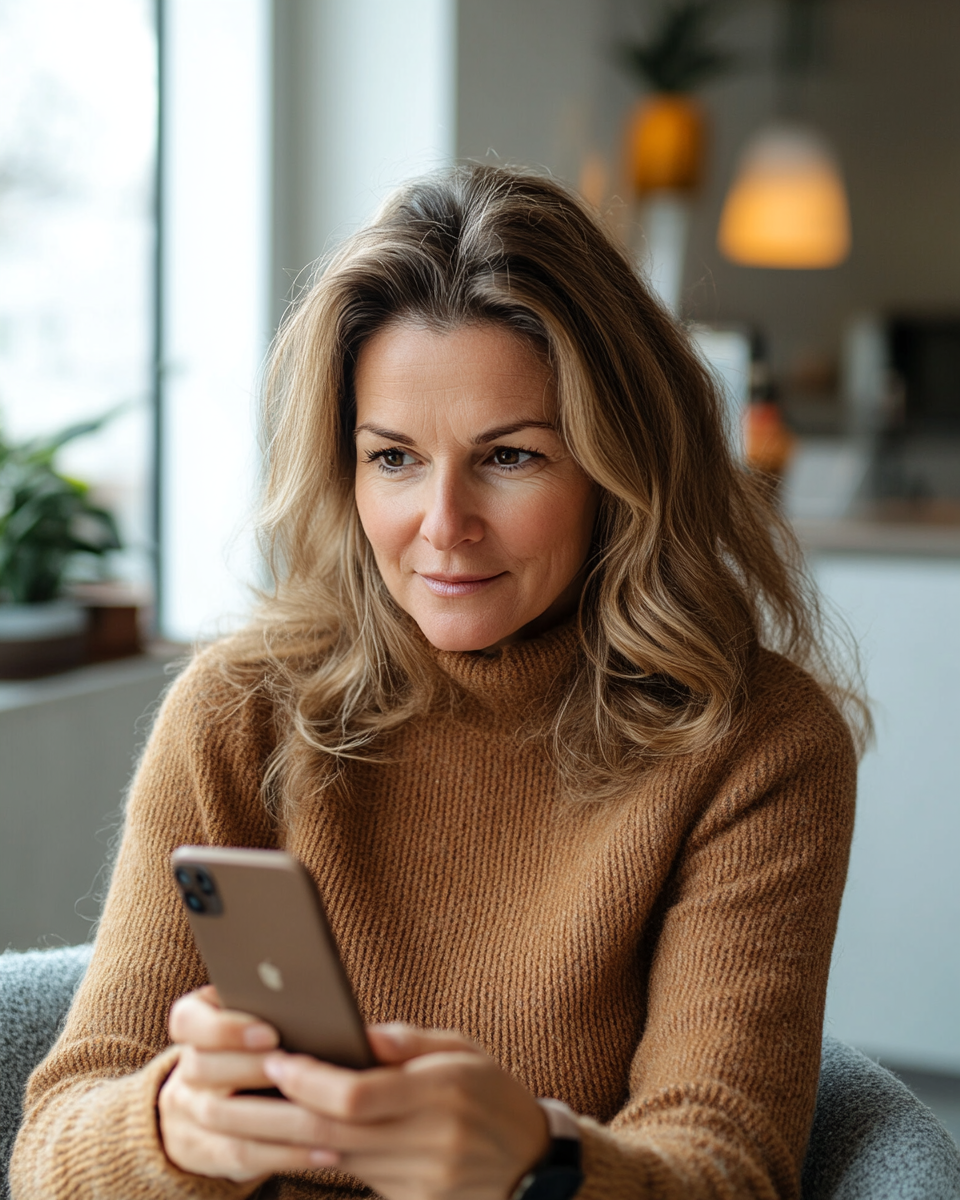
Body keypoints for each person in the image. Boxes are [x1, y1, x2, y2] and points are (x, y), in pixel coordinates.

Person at [11, 164, 865, 1200]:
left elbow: (725, 1173)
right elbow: (52, 1148)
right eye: (394, 458)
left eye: (508, 458)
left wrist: (533, 1166)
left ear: (619, 468)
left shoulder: (756, 745)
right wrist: (174, 1131)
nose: (442, 526)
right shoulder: (242, 709)